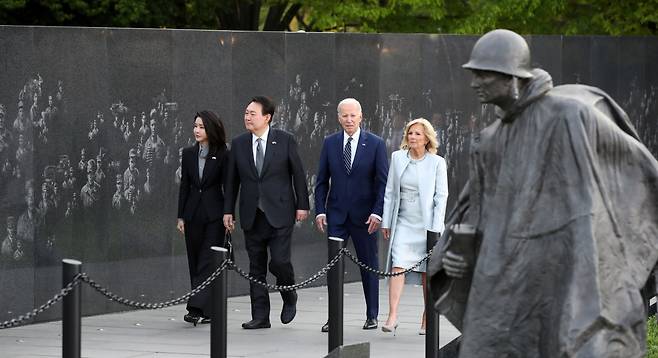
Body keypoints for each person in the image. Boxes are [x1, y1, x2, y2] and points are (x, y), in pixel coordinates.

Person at [428, 29, 658, 357]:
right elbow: (477, 213)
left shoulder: (569, 116)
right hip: (499, 280)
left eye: (483, 74)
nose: (474, 82)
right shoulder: (489, 141)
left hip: (562, 270)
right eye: (473, 73)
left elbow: (638, 174)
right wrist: (460, 254)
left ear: (512, 76)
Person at [224, 96, 309, 330]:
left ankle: (288, 293)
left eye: (252, 113)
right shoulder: (239, 143)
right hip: (252, 214)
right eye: (246, 113)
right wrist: (227, 211)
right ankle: (260, 316)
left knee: (280, 262)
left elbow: (298, 174)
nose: (247, 117)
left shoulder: (285, 140)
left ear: (267, 117)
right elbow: (232, 181)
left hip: (281, 211)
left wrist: (303, 204)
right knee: (256, 267)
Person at [314, 98, 388, 332]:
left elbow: (382, 183)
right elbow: (321, 181)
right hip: (336, 216)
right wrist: (320, 211)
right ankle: (333, 317)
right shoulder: (330, 143)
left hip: (365, 218)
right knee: (333, 269)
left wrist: (378, 212)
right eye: (344, 115)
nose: (348, 119)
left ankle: (372, 315)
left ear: (361, 117)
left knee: (369, 266)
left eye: (352, 115)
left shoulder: (375, 144)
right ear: (338, 117)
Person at [380, 118, 448, 335]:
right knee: (397, 266)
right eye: (410, 133)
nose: (412, 137)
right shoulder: (397, 158)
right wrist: (386, 221)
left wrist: (435, 228)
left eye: (418, 134)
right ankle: (392, 316)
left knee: (428, 272)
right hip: (403, 222)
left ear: (427, 138)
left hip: (427, 225)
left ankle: (427, 317)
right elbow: (390, 192)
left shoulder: (437, 162)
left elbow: (441, 196)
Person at [177, 110, 228, 326]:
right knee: (196, 261)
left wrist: (228, 214)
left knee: (207, 262)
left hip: (215, 216)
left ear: (211, 129)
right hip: (192, 215)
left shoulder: (223, 153)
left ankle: (195, 307)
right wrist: (181, 216)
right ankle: (207, 309)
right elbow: (185, 187)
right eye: (195, 126)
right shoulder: (188, 153)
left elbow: (229, 186)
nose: (197, 130)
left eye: (201, 127)